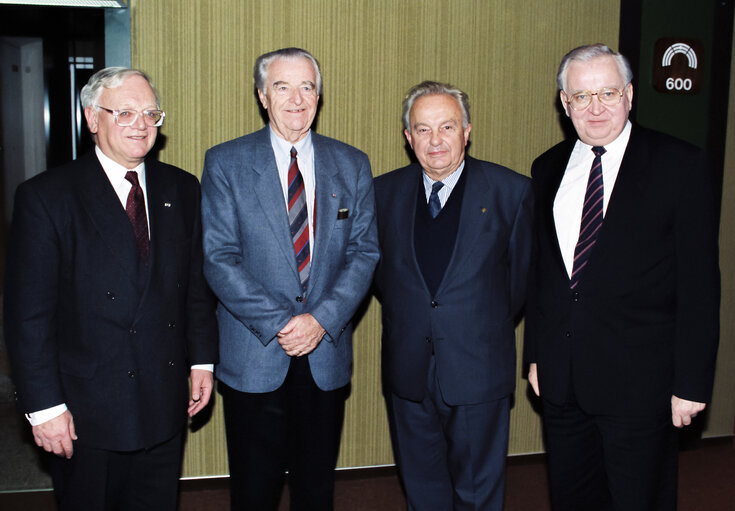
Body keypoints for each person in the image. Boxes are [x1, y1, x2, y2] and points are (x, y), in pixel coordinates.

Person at [3, 67, 218, 510]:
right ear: (91, 118)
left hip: (162, 398)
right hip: (86, 409)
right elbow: (28, 316)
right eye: (124, 112)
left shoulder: (182, 188)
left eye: (150, 113)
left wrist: (201, 360)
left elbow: (194, 287)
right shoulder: (48, 197)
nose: (141, 124)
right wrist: (45, 408)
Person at [524, 44, 720, 511]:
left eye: (607, 93)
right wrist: (536, 355)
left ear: (629, 95)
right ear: (563, 102)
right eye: (581, 96)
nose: (595, 108)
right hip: (563, 382)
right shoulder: (547, 168)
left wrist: (691, 384)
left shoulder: (680, 164)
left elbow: (699, 286)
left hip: (642, 387)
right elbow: (543, 277)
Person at [201, 47, 379, 510]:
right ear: (263, 96)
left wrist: (321, 319)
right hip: (256, 352)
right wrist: (285, 322)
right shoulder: (226, 163)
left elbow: (364, 252)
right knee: (253, 491)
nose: (297, 99)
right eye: (283, 86)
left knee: (316, 489)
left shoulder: (352, 163)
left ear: (319, 96)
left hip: (325, 355)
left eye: (307, 87)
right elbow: (219, 258)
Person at [373, 80, 533, 510]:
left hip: (477, 368)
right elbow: (383, 277)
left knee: (477, 494)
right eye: (422, 130)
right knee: (421, 490)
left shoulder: (511, 192)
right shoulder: (381, 194)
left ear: (467, 131)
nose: (435, 140)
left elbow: (518, 285)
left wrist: (468, 322)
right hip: (408, 370)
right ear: (408, 138)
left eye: (447, 127)